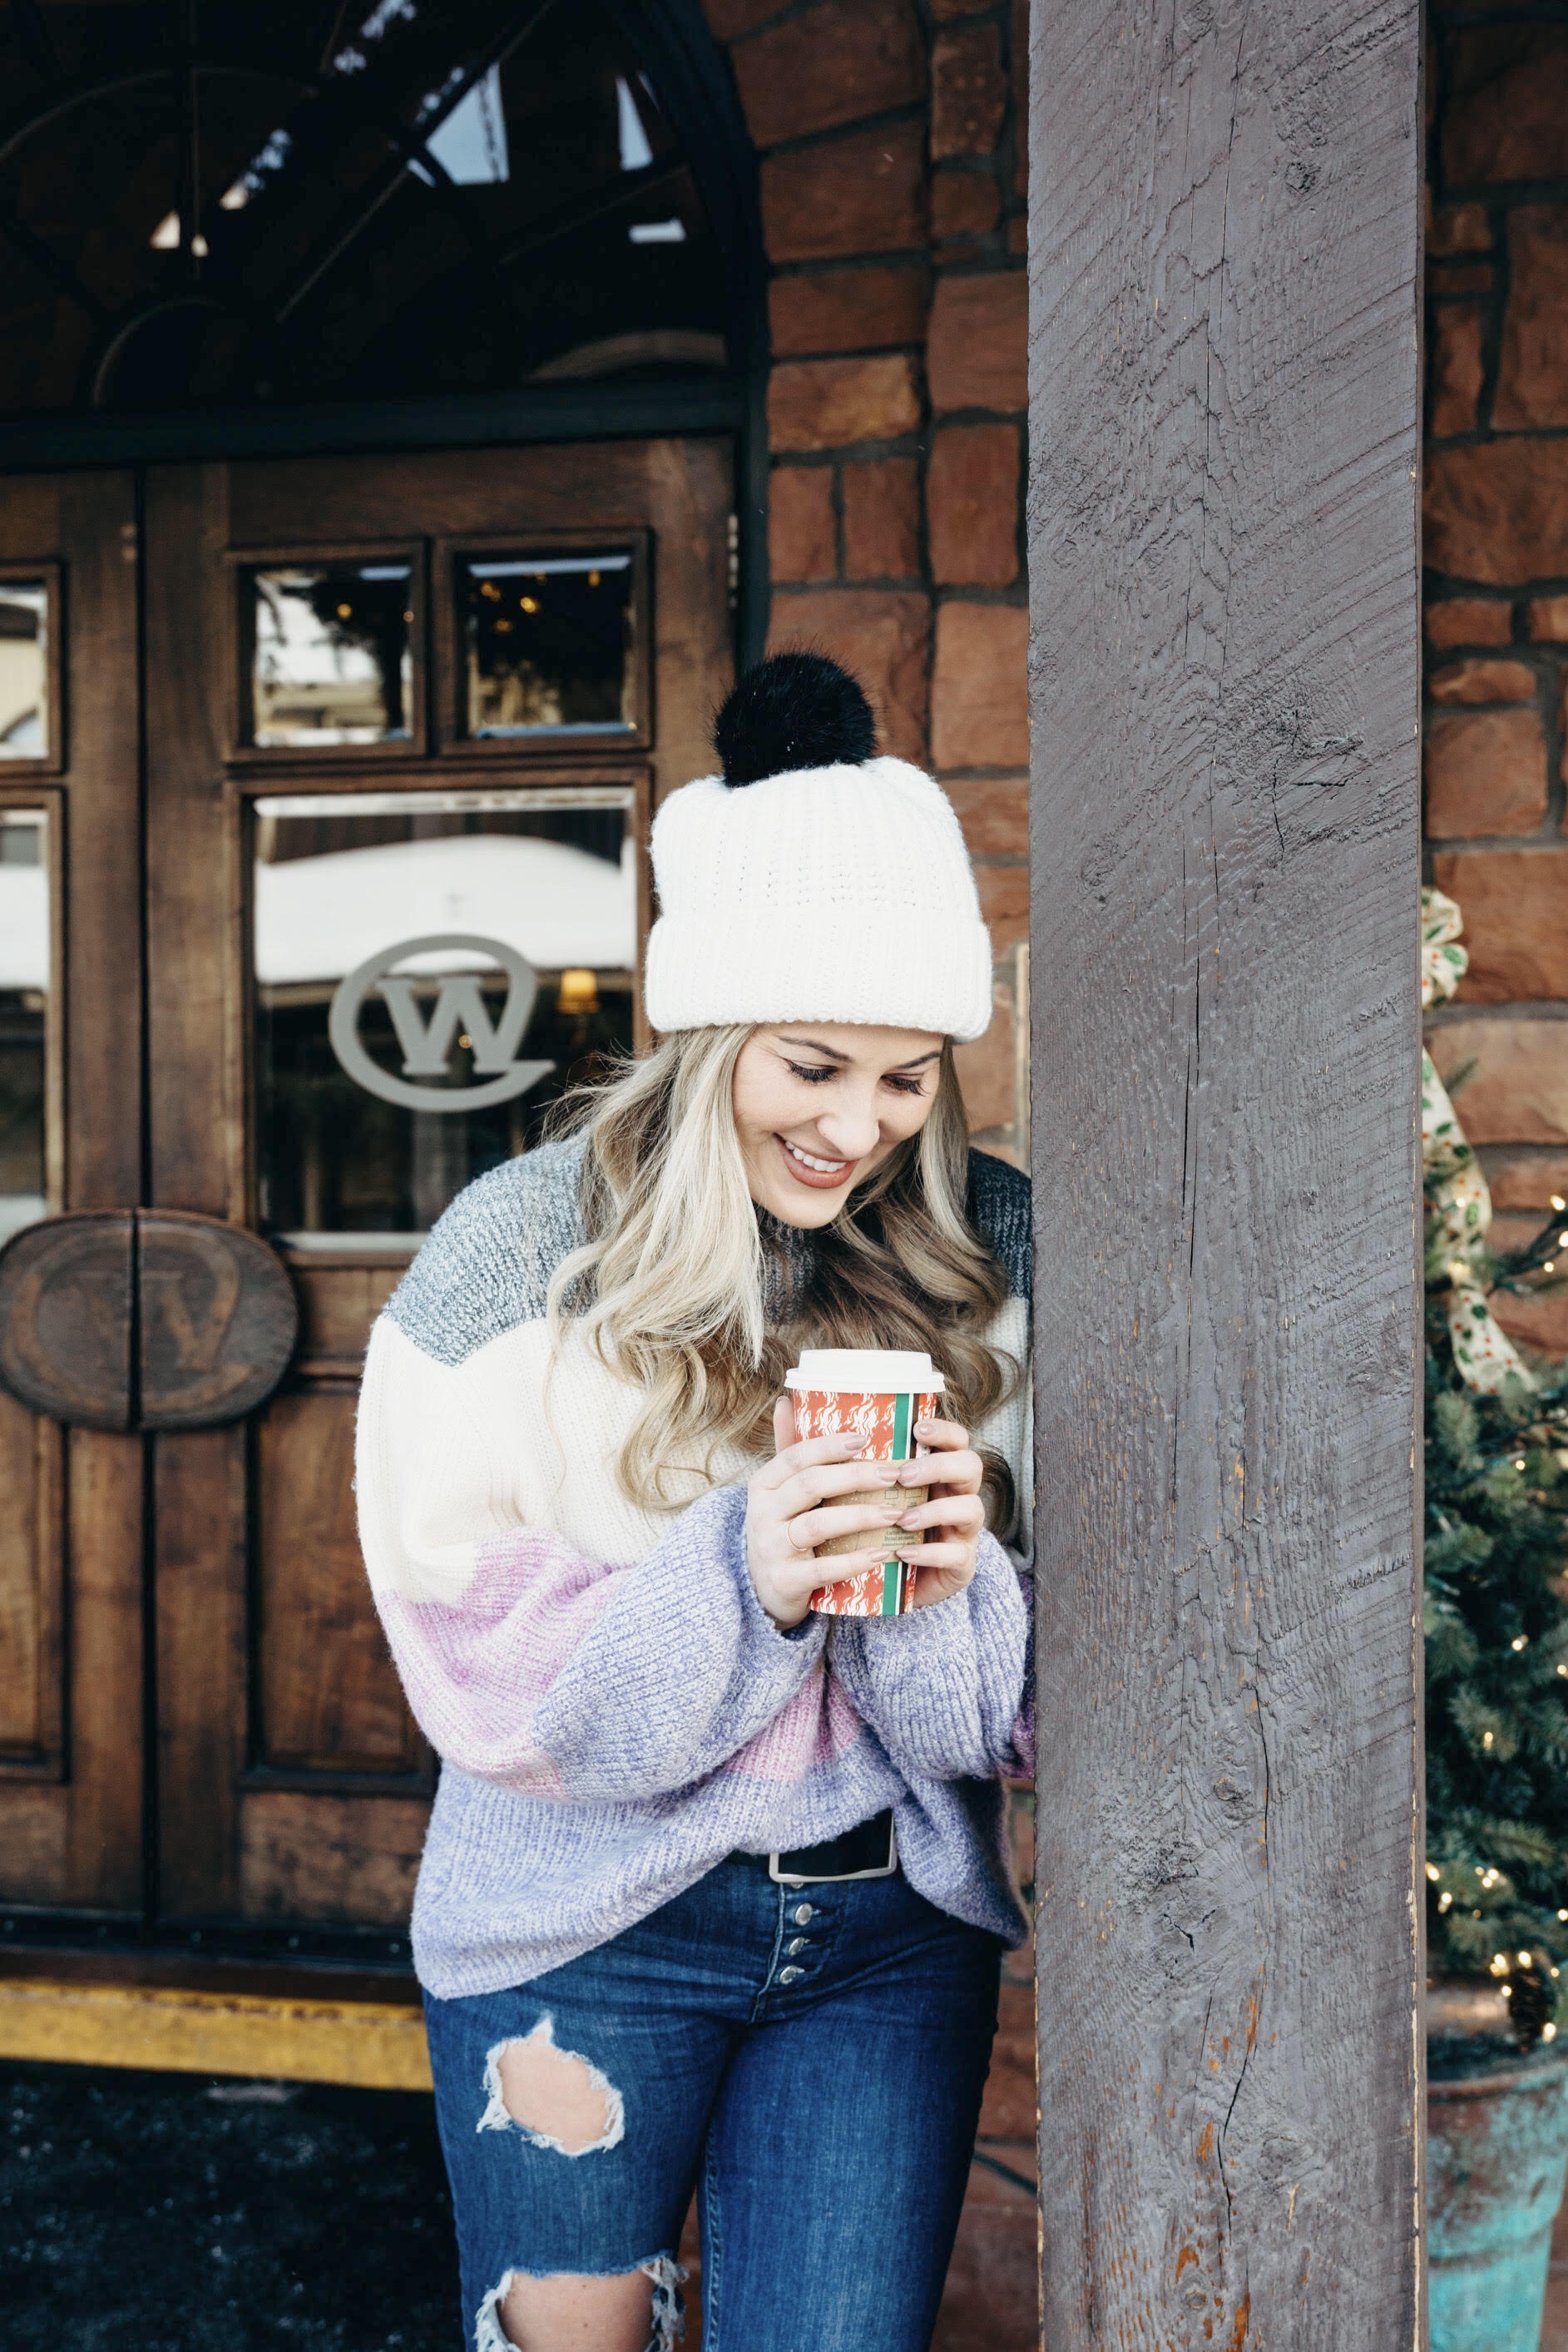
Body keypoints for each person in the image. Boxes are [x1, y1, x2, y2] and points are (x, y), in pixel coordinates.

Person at [356, 651, 1035, 2352]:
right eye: (811, 1063)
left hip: (891, 1933)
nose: (859, 1127)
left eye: (905, 1075)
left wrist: (948, 1578)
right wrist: (750, 1568)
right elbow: (486, 1673)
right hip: (578, 1923)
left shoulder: (1002, 1256)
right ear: (709, 1023)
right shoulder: (513, 1257)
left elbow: (1031, 1710)